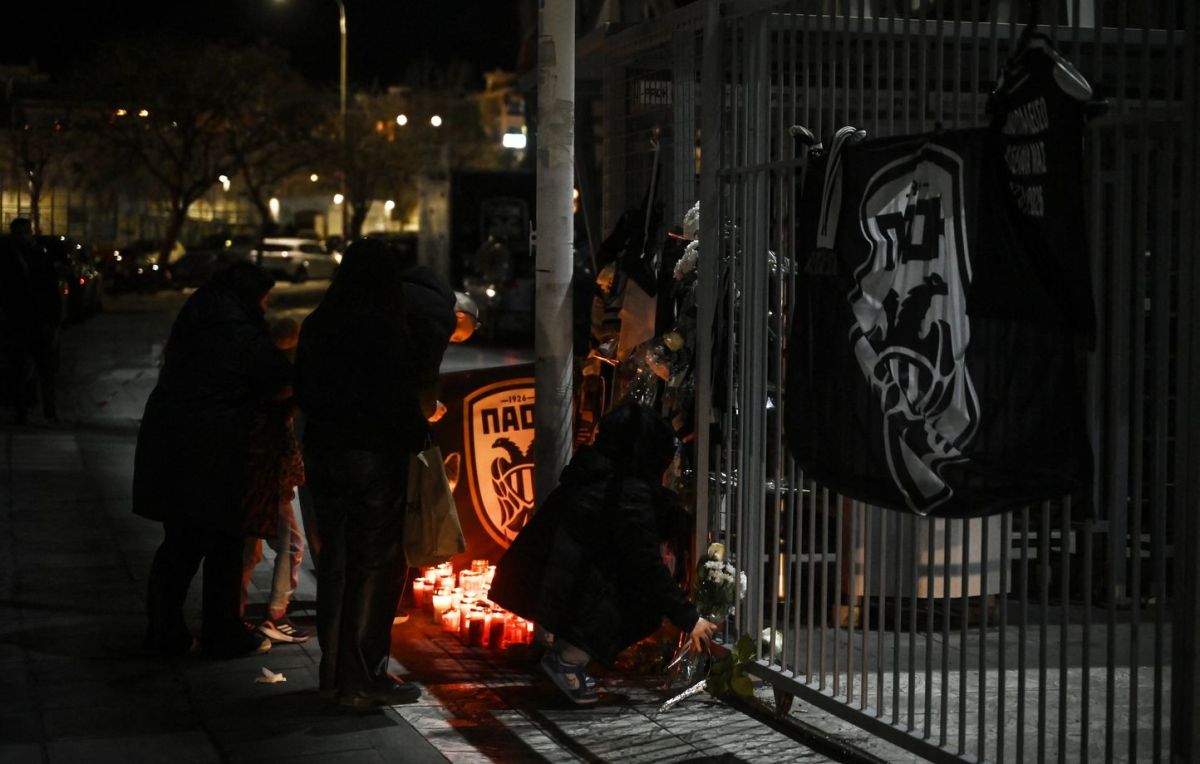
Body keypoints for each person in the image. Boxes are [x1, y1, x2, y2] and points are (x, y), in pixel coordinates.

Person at [295, 239, 475, 708]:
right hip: (374, 455)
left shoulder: (320, 323)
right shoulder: (387, 328)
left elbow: (304, 389)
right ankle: (361, 679)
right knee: (375, 566)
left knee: (335, 565)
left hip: (322, 454)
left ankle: (333, 676)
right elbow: (407, 394)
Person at [489, 402, 718, 705]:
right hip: (563, 587)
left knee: (622, 583)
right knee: (642, 600)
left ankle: (563, 652)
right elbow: (645, 563)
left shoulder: (600, 474)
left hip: (547, 581)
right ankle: (567, 660)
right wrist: (691, 619)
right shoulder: (625, 492)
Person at [134, 262, 291, 659]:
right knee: (222, 542)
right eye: (265, 298)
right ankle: (222, 631)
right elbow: (274, 377)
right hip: (215, 450)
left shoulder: (203, 313)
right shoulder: (236, 329)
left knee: (181, 544)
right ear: (250, 294)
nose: (267, 307)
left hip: (177, 444)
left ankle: (165, 632)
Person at [239, 317, 310, 644]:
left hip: (260, 469)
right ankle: (276, 613)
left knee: (250, 546)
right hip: (268, 470)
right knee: (290, 542)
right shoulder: (274, 376)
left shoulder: (256, 365)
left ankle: (236, 614)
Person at [0, 218, 62, 425]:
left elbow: (51, 289)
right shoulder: (34, 256)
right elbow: (52, 290)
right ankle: (44, 412)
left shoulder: (15, 257)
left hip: (24, 320)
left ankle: (27, 411)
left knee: (26, 368)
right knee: (39, 369)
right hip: (29, 320)